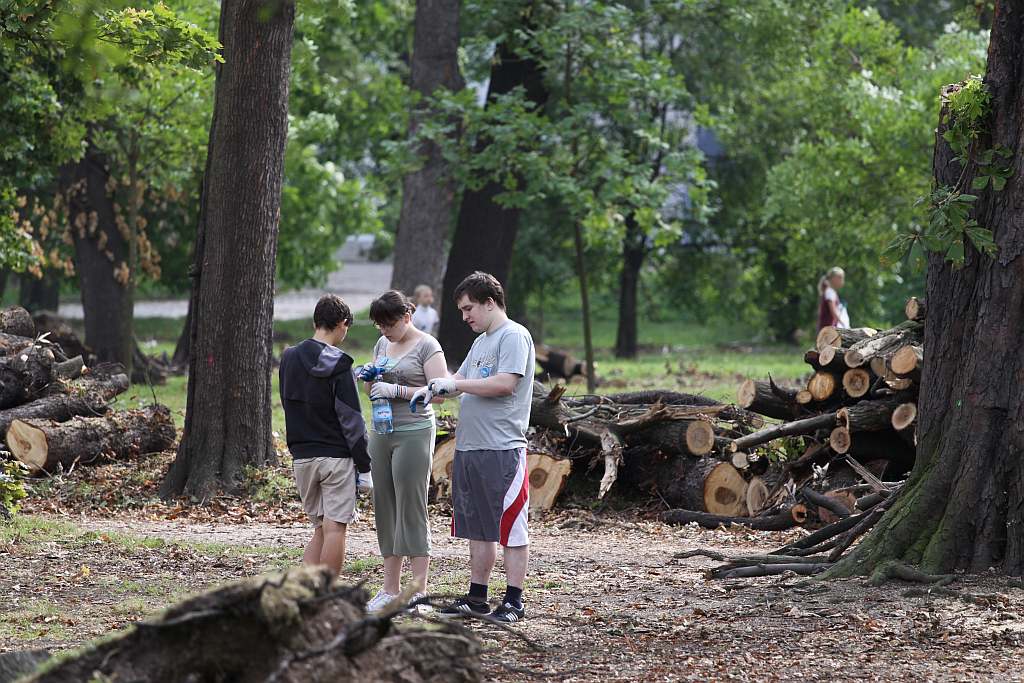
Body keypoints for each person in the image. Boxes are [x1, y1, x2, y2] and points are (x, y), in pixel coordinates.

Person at [412, 271, 535, 624]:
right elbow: (456, 382)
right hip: (470, 448)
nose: (465, 316)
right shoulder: (481, 341)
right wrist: (427, 390)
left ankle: (514, 601)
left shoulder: (513, 336)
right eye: (462, 310)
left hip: (502, 448)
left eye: (469, 309)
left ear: (490, 302)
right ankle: (477, 598)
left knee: (510, 527)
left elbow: (504, 384)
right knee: (477, 526)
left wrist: (456, 384)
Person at [359, 290, 448, 612]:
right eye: (379, 326)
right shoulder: (383, 344)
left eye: (390, 324)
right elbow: (372, 389)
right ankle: (389, 588)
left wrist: (398, 389)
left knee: (411, 505)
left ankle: (418, 591)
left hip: (414, 431)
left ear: (407, 317)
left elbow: (439, 393)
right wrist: (369, 378)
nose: (385, 331)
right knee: (385, 504)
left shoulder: (427, 345)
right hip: (382, 430)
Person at [279, 294, 370, 577]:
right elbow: (352, 420)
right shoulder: (340, 365)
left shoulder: (289, 358)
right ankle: (328, 595)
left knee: (319, 528)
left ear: (316, 321)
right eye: (347, 328)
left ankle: (306, 593)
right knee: (335, 529)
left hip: (303, 457)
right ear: (342, 323)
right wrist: (365, 466)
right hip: (336, 457)